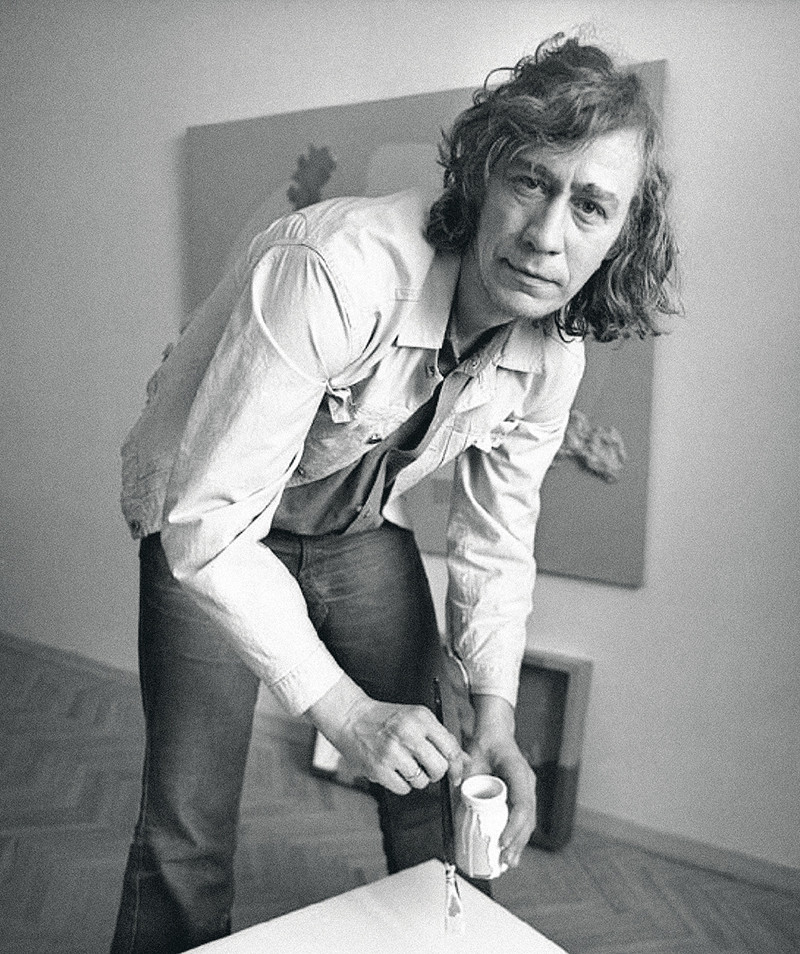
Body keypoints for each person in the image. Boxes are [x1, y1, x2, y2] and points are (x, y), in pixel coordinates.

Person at [111, 33, 679, 954]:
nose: (546, 236)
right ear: (484, 175)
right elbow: (208, 526)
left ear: (620, 233)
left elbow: (497, 539)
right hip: (204, 525)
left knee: (438, 788)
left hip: (354, 524)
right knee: (187, 831)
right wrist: (345, 712)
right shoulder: (336, 267)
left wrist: (495, 718)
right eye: (532, 182)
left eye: (589, 206)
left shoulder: (555, 356)